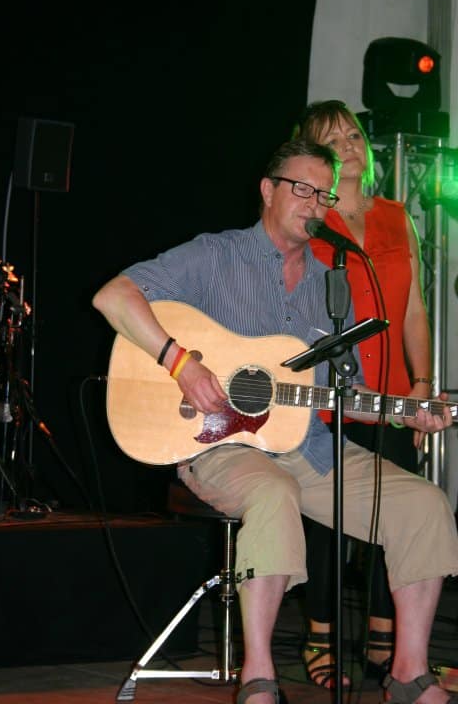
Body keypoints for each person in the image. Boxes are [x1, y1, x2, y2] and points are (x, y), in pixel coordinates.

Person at [92, 138, 458, 704]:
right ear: (268, 190)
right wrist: (181, 363)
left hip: (307, 447)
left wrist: (412, 410)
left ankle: (409, 673)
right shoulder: (216, 255)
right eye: (302, 189)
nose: (315, 203)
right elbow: (114, 297)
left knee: (424, 504)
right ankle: (258, 677)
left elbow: (348, 394)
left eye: (325, 194)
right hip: (217, 445)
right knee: (273, 492)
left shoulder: (331, 286)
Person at [293, 100, 433, 689]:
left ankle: (382, 639)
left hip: (392, 396)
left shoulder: (397, 217)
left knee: (393, 517)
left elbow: (414, 309)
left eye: (353, 135)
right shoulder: (305, 221)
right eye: (332, 139)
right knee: (327, 523)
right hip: (327, 398)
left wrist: (421, 384)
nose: (349, 145)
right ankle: (319, 636)